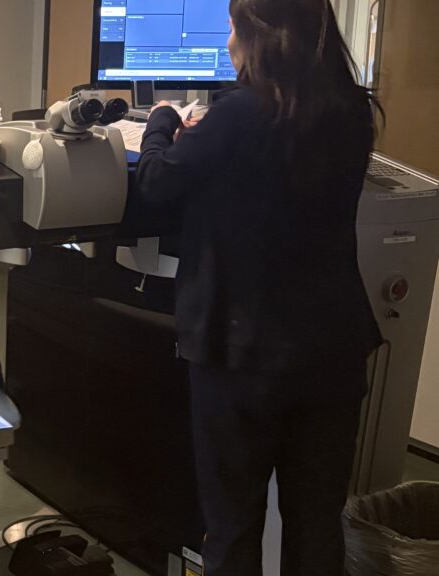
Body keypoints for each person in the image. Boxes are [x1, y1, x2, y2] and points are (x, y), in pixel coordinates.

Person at [133, 0, 382, 574]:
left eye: (230, 28)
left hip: (240, 355)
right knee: (317, 523)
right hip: (334, 353)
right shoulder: (352, 111)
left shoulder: (238, 115)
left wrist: (162, 123)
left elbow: (155, 183)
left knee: (232, 525)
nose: (226, 42)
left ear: (259, 36)